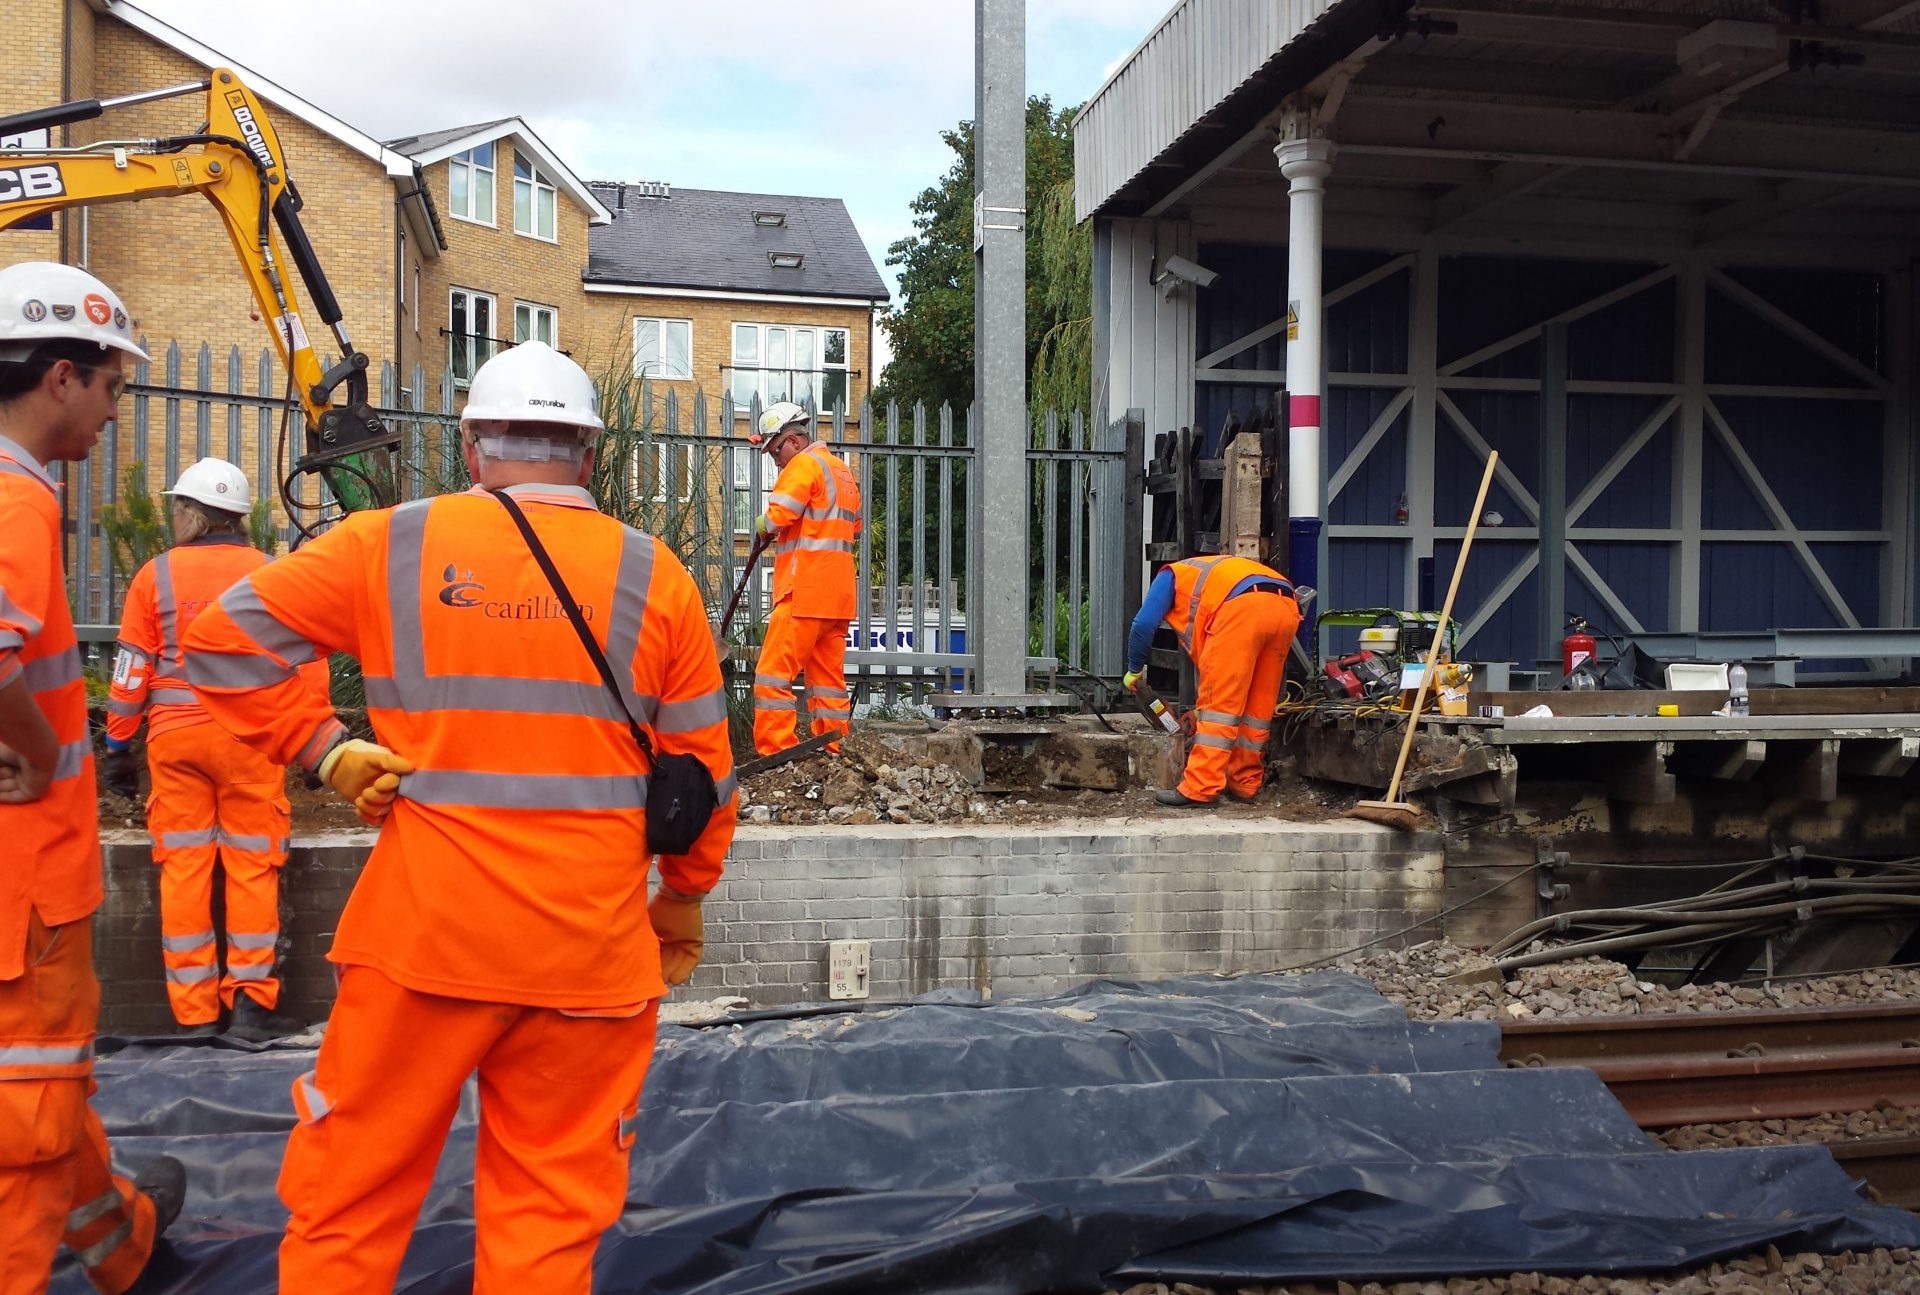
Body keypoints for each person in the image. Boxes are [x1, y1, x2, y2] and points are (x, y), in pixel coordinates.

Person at [182, 340, 737, 1292]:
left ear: (474, 448)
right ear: (592, 457)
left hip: (424, 945)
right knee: (549, 1222)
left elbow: (218, 642)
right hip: (588, 958)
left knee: (349, 1203)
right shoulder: (658, 578)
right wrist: (682, 897)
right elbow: (701, 776)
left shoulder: (389, 545)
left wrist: (323, 748)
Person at [0, 261, 185, 1292]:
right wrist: (28, 747)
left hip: (24, 880)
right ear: (61, 375)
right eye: (115, 387)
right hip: (26, 888)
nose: (117, 411)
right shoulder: (16, 498)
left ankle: (124, 1245)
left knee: (34, 1091)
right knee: (26, 1117)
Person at [104, 456, 321, 1041]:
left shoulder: (156, 576)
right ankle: (251, 1005)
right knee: (253, 863)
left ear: (191, 514)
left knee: (184, 867)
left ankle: (195, 1014)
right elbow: (307, 659)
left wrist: (118, 744)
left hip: (175, 741)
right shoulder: (269, 572)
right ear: (238, 519)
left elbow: (132, 667)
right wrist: (315, 740)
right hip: (250, 736)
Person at [1122, 554, 1300, 807]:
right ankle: (1244, 783)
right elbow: (1233, 682)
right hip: (1286, 606)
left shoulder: (1170, 576)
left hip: (1242, 607)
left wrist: (1135, 671)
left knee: (1220, 709)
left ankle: (1201, 787)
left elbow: (1143, 624)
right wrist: (1198, 713)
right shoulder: (1212, 575)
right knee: (1257, 706)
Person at [747, 400, 861, 756]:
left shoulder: (803, 465)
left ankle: (777, 752)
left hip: (804, 595)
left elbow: (778, 517)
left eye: (775, 451)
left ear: (793, 441)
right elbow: (852, 529)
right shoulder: (842, 473)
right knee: (828, 683)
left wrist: (761, 525)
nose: (775, 460)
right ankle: (835, 748)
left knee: (772, 677)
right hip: (837, 599)